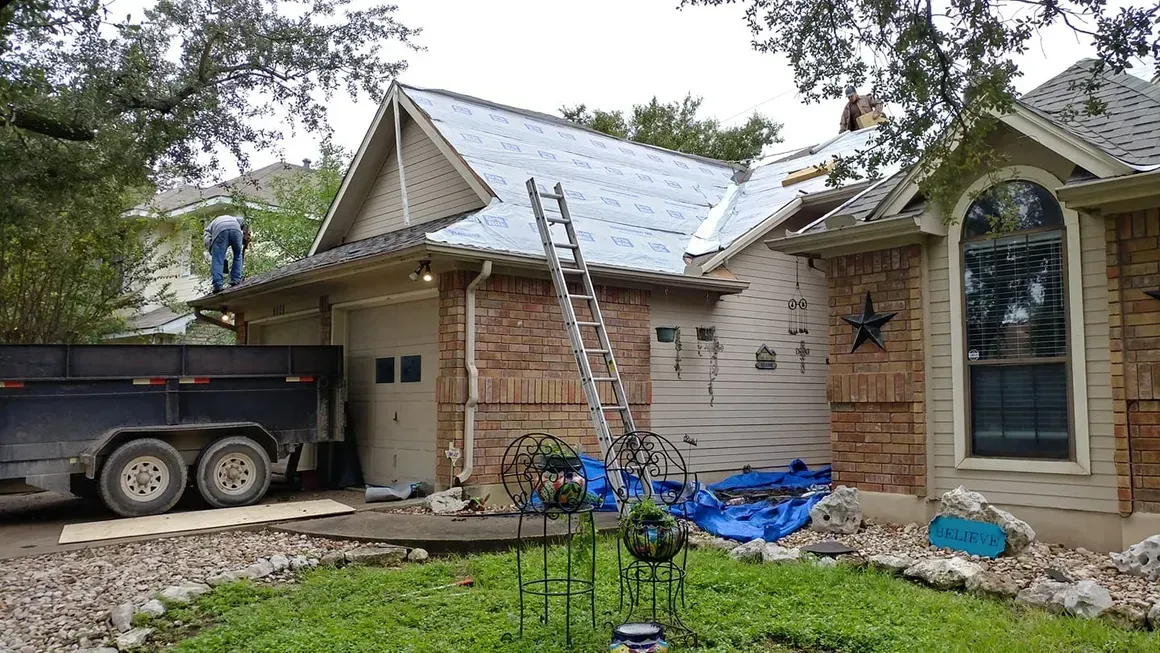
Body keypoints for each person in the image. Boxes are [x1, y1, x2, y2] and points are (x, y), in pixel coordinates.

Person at [203, 214, 248, 293]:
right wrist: (245, 234)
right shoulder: (235, 218)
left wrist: (213, 251)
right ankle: (236, 279)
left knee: (217, 259)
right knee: (238, 255)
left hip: (221, 230)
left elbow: (208, 242)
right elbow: (245, 221)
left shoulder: (208, 230)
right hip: (236, 229)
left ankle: (218, 285)